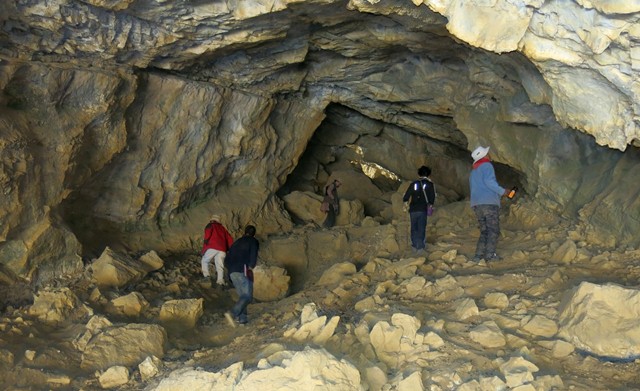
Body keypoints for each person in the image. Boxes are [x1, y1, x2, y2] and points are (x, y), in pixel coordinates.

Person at [469, 146, 508, 262]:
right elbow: (489, 182)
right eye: (487, 153)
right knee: (493, 230)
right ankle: (490, 255)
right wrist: (503, 191)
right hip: (488, 203)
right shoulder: (486, 166)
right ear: (484, 156)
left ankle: (478, 255)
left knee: (484, 231)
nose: (489, 154)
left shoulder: (473, 171)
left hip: (477, 204)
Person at [224, 225, 259, 326]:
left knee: (242, 296)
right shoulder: (253, 241)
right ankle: (233, 313)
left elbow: (226, 259)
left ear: (245, 231)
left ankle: (242, 319)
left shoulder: (236, 242)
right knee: (247, 296)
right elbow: (253, 254)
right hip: (242, 269)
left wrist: (230, 270)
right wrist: (251, 266)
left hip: (232, 272)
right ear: (253, 234)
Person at [402, 166, 436, 253]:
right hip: (422, 209)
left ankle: (414, 246)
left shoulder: (414, 184)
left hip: (413, 209)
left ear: (419, 174)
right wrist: (430, 205)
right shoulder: (430, 184)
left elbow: (406, 196)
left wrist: (405, 203)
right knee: (421, 227)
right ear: (428, 174)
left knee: (414, 227)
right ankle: (420, 248)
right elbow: (432, 198)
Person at [200, 214, 234, 286]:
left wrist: (204, 248)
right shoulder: (223, 228)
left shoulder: (210, 225)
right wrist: (228, 249)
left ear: (212, 220)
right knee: (220, 265)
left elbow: (207, 236)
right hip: (222, 250)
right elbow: (230, 239)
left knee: (204, 260)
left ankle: (206, 276)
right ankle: (220, 281)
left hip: (213, 247)